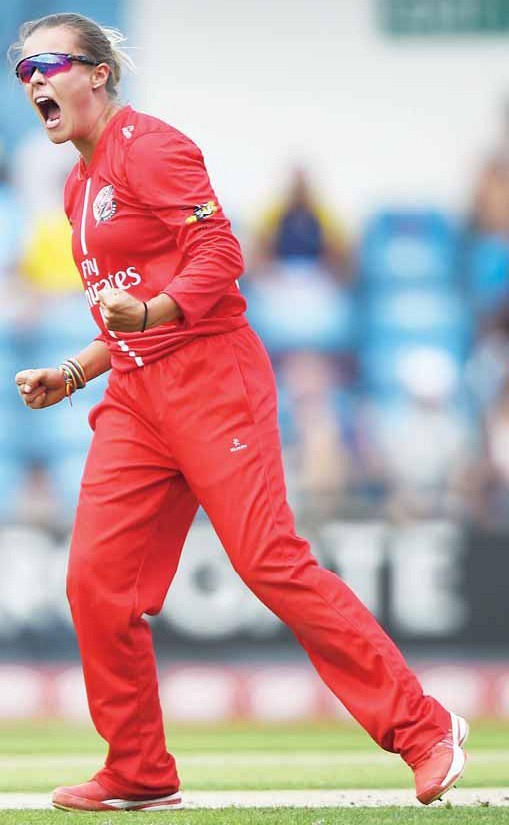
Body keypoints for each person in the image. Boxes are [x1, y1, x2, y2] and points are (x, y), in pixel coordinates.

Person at [12, 12, 467, 813]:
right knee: (95, 583)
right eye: (22, 70)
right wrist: (75, 369)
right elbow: (123, 310)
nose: (32, 81)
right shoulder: (79, 184)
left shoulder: (151, 146)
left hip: (209, 377)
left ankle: (424, 728)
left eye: (46, 64)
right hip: (135, 396)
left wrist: (150, 314)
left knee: (268, 561)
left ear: (99, 73)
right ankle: (139, 769)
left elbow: (220, 255)